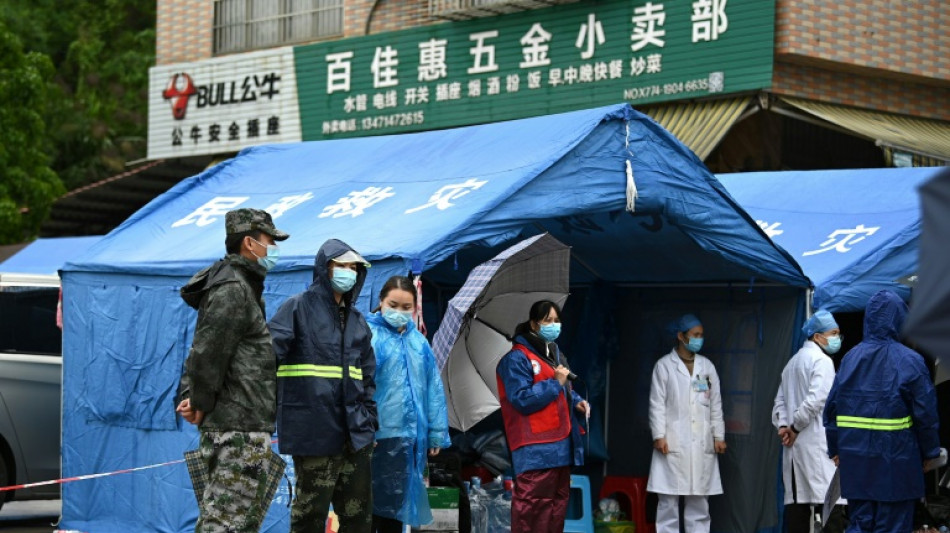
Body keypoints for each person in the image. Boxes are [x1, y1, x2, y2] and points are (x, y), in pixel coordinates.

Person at [175, 207, 290, 532]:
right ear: (250, 244)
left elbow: (205, 349)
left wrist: (194, 398)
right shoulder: (233, 289)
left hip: (244, 426)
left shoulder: (243, 286)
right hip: (236, 429)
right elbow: (206, 353)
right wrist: (198, 402)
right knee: (224, 525)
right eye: (270, 241)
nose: (274, 249)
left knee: (239, 524)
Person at [269, 239, 378, 533]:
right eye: (341, 265)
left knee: (359, 519)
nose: (348, 272)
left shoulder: (358, 321)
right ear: (324, 269)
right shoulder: (297, 308)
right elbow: (264, 360)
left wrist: (369, 423)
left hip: (355, 436)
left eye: (354, 267)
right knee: (310, 518)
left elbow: (367, 377)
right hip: (314, 432)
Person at [823, 290, 940, 533]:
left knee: (859, 524)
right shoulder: (911, 361)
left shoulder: (850, 358)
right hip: (896, 463)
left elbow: (832, 410)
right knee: (893, 526)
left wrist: (835, 449)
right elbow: (925, 414)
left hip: (856, 464)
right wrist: (930, 451)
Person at [366, 275, 452, 533]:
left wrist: (436, 432)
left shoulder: (419, 343)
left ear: (415, 308)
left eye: (406, 307)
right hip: (376, 436)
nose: (400, 312)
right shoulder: (367, 336)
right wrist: (362, 428)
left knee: (397, 510)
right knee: (368, 509)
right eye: (393, 305)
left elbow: (433, 389)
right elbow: (355, 388)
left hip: (410, 438)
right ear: (381, 302)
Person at [495, 300, 589, 533]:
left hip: (561, 446)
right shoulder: (516, 359)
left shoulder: (554, 354)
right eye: (548, 320)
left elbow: (565, 390)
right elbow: (522, 399)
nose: (554, 325)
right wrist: (554, 383)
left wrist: (577, 402)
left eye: (557, 320)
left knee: (556, 508)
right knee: (532, 509)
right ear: (534, 324)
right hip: (535, 448)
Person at [647, 314, 726, 533]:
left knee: (699, 502)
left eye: (701, 335)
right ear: (681, 336)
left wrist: (719, 436)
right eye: (695, 335)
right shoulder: (664, 366)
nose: (700, 339)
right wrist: (659, 436)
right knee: (668, 502)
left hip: (701, 443)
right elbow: (656, 403)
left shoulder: (707, 367)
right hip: (672, 441)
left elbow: (715, 404)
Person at [772, 309, 845, 533]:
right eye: (833, 333)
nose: (837, 339)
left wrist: (783, 425)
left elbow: (778, 403)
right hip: (815, 444)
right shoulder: (822, 361)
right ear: (817, 336)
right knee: (831, 506)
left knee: (798, 508)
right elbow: (817, 400)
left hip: (795, 449)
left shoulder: (792, 363)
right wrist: (793, 427)